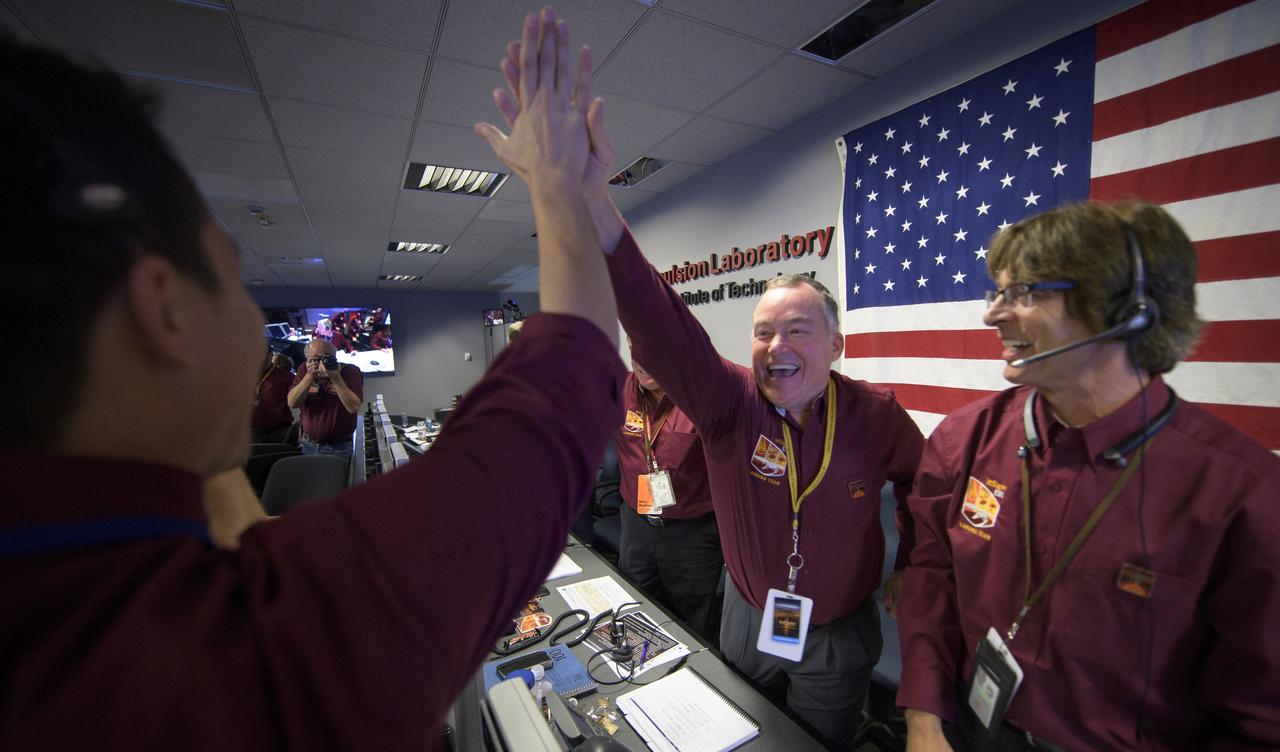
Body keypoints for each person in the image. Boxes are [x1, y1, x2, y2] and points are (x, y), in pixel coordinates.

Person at [1, 11, 623, 750]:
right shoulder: (266, 650)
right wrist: (557, 182)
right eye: (232, 276)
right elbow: (568, 377)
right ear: (164, 311)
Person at [489, 46, 925, 746]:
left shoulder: (876, 414)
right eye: (763, 331)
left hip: (838, 630)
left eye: (798, 330)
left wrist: (911, 563)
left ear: (838, 346)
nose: (777, 345)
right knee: (744, 734)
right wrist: (594, 205)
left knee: (818, 742)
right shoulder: (730, 402)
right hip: (750, 619)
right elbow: (663, 328)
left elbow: (923, 487)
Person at [895, 201, 1280, 751]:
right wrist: (923, 719)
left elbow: (1259, 719)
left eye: (1024, 293)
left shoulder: (1245, 496)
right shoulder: (963, 440)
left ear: (1126, 311)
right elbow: (932, 576)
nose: (993, 315)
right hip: (969, 727)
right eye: (996, 293)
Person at [614, 355, 723, 644]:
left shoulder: (704, 398)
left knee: (696, 623)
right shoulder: (617, 391)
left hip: (691, 536)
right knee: (634, 608)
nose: (642, 360)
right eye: (635, 347)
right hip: (636, 527)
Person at [287, 338, 364, 461]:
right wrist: (309, 376)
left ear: (335, 357)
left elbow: (353, 407)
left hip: (339, 447)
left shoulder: (349, 371)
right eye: (316, 359)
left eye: (326, 357)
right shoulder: (304, 370)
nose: (322, 362)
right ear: (307, 360)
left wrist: (335, 377)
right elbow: (292, 403)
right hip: (309, 445)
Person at [251, 349, 294, 444]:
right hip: (250, 432)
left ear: (270, 355)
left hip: (279, 431)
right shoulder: (245, 374)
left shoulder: (286, 376)